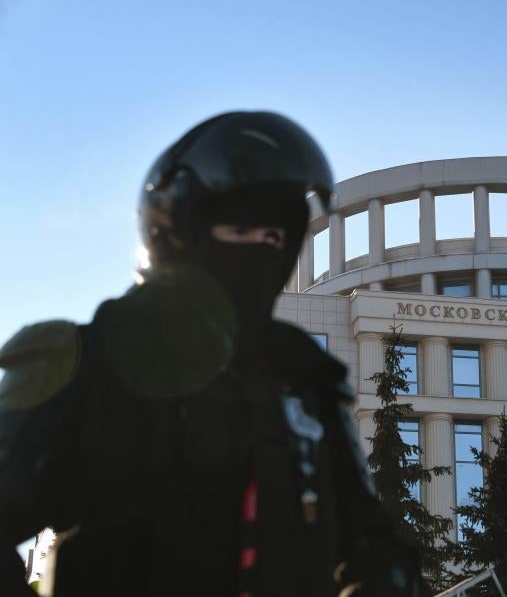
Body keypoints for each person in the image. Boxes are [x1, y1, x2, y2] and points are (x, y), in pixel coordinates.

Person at [0, 112, 423, 597]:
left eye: (276, 235)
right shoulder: (83, 361)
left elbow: (373, 548)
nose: (263, 248)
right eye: (241, 230)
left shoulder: (303, 379)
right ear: (177, 231)